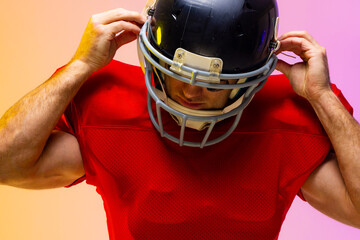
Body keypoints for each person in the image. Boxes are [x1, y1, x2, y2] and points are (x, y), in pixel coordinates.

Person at [0, 0, 359, 239]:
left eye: (213, 82)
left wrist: (323, 98)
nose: (190, 91)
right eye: (177, 71)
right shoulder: (109, 107)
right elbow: (5, 162)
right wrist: (79, 67)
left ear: (251, 75)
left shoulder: (285, 120)